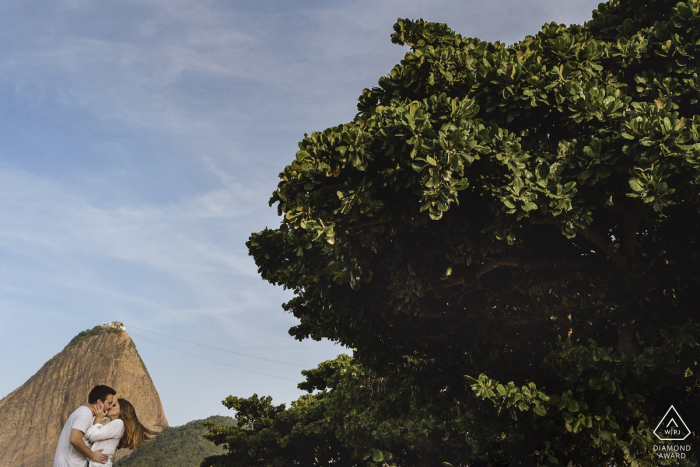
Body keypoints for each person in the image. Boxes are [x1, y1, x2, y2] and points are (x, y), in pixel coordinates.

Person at [54, 385, 116, 467]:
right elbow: (74, 439)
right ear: (99, 402)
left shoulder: (84, 412)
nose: (111, 407)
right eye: (109, 403)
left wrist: (98, 418)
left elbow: (90, 436)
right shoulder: (85, 413)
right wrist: (92, 455)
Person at [84, 398, 157, 467]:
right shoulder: (118, 425)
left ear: (122, 410)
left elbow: (92, 436)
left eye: (114, 405)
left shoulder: (118, 423)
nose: (110, 407)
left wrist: (99, 417)